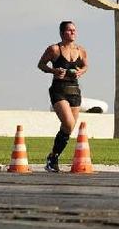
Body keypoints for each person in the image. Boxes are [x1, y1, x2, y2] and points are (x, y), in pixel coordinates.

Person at [37, 21, 89, 172]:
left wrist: (81, 71)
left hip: (74, 91)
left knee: (69, 128)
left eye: (74, 30)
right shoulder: (54, 49)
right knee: (67, 123)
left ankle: (53, 157)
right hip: (59, 90)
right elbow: (41, 64)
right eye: (69, 30)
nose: (73, 32)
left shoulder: (81, 50)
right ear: (62, 33)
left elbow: (85, 66)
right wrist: (54, 71)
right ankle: (52, 159)